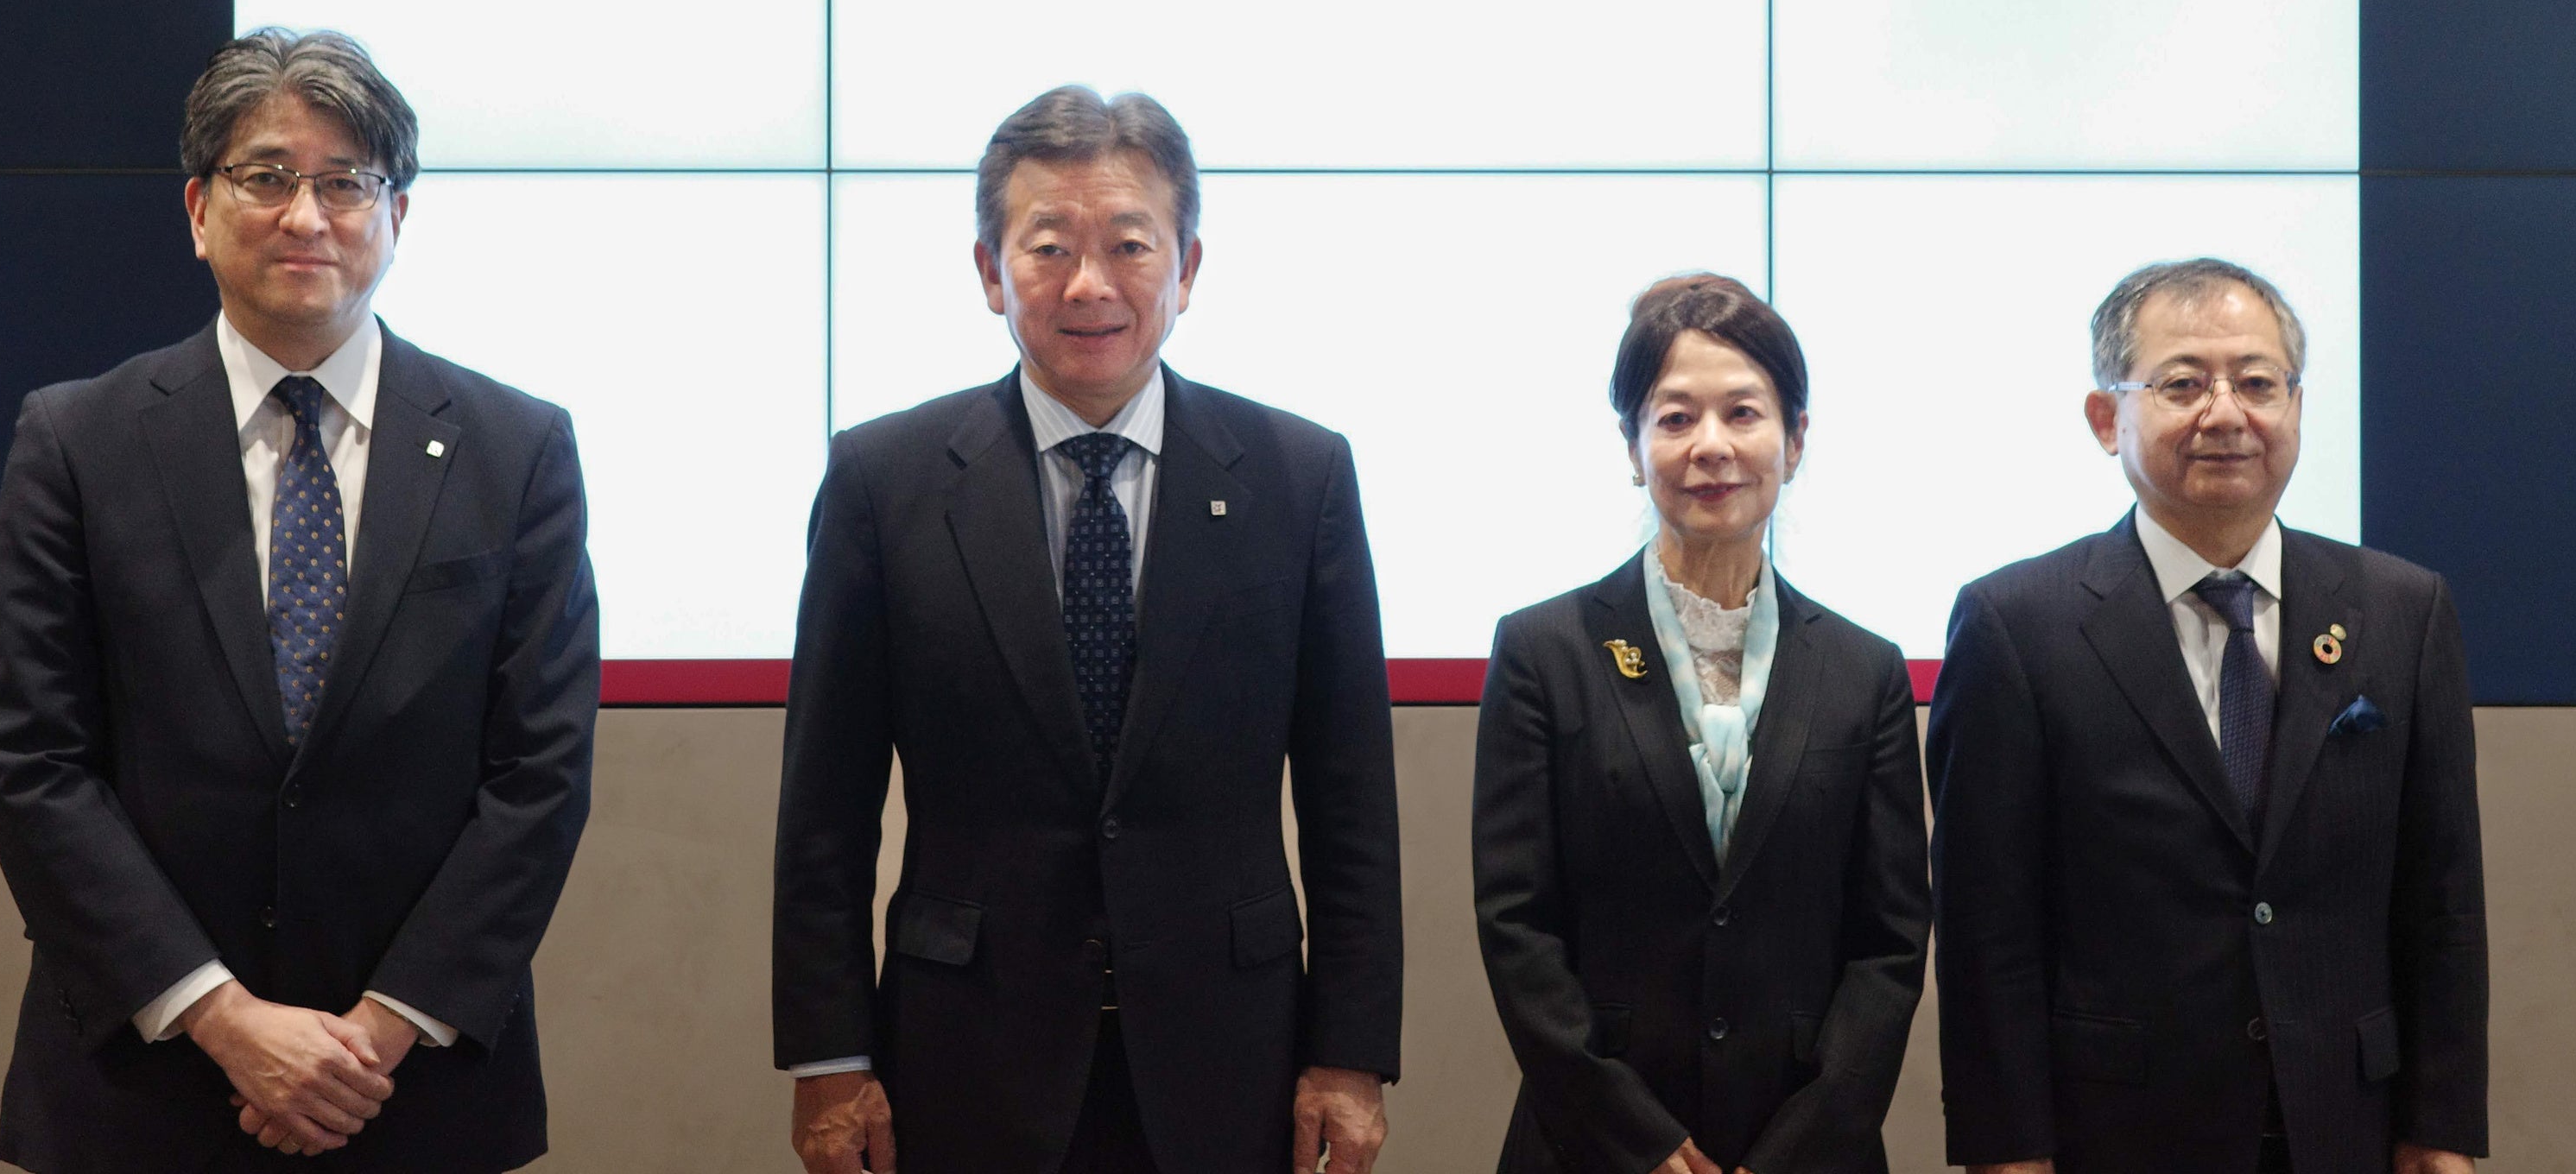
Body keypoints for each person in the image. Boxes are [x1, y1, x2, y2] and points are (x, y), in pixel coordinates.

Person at [0, 29, 600, 1171]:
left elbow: (539, 776)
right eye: (267, 176)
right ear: (199, 209)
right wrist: (224, 1019)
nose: (306, 216)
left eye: (345, 182)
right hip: (142, 1086)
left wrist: (374, 1037)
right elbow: (35, 762)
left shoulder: (517, 449)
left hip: (413, 1091)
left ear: (396, 216)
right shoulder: (78, 440)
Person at [772, 85, 1402, 1174]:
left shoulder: (1300, 477)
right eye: (1050, 245)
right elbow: (824, 807)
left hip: (1231, 1053)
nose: (1090, 283)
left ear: (1187, 267)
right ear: (990, 270)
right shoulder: (886, 478)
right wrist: (830, 1055)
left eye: (1129, 244)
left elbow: (1353, 803)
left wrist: (1349, 1052)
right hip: (965, 1048)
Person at [1926, 258, 2486, 1174]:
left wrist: (2441, 1124)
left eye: (2258, 383)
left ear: (2296, 405)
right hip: (2119, 1129)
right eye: (2182, 384)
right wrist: (2007, 1149)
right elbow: (1988, 928)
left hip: (2346, 1121)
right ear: (2105, 418)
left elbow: (2443, 896)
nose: (2225, 413)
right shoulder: (2016, 623)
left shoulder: (2402, 610)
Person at [1472, 273, 1928, 1174]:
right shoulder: (1543, 651)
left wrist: (1801, 1147)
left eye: (1743, 413)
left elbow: (1890, 943)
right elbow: (1517, 927)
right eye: (1676, 417)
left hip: (1803, 1145)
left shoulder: (1864, 670)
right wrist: (1635, 1140)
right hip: (1593, 1147)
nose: (1710, 445)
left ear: (1796, 439)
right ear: (1633, 444)